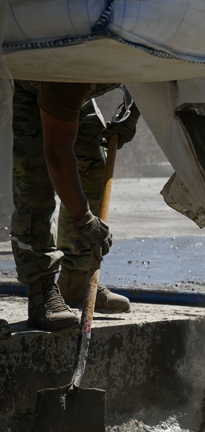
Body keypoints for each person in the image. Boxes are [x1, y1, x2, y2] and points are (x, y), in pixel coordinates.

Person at [10, 82, 136, 331]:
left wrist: (134, 110)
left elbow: (155, 77)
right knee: (36, 183)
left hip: (73, 87)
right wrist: (84, 219)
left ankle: (78, 281)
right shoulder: (65, 73)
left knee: (93, 165)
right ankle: (41, 292)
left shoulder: (144, 46)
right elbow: (57, 155)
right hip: (31, 83)